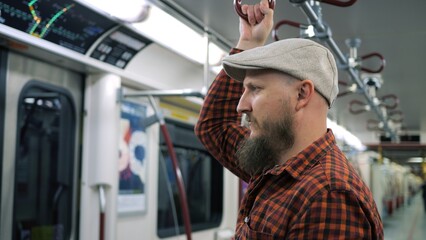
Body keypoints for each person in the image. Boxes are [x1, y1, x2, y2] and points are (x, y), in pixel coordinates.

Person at [194, 0, 383, 238]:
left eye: (255, 89)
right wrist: (250, 42)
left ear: (302, 94)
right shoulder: (274, 161)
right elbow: (215, 126)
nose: (241, 105)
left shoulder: (328, 197)